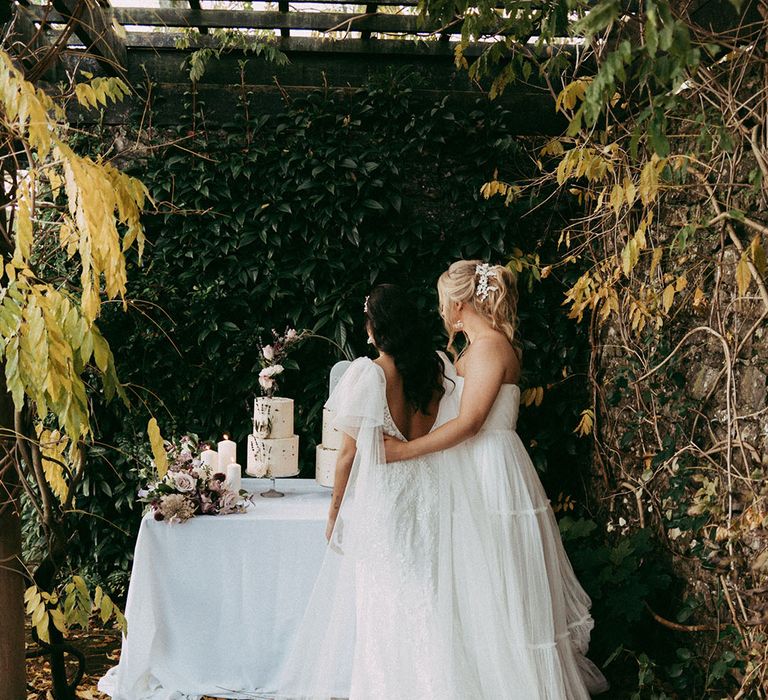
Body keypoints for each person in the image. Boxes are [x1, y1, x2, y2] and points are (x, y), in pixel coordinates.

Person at [384, 260, 609, 699]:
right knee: (478, 582)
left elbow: (470, 423)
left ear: (461, 301)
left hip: (490, 473)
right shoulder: (473, 349)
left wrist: (402, 453)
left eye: (445, 300)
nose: (442, 310)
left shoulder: (489, 349)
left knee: (501, 581)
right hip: (469, 472)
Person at [273, 283, 456, 700]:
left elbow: (347, 455)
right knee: (426, 590)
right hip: (430, 488)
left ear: (377, 325)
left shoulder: (369, 373)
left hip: (386, 497)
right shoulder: (437, 367)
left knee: (383, 599)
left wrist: (335, 512)